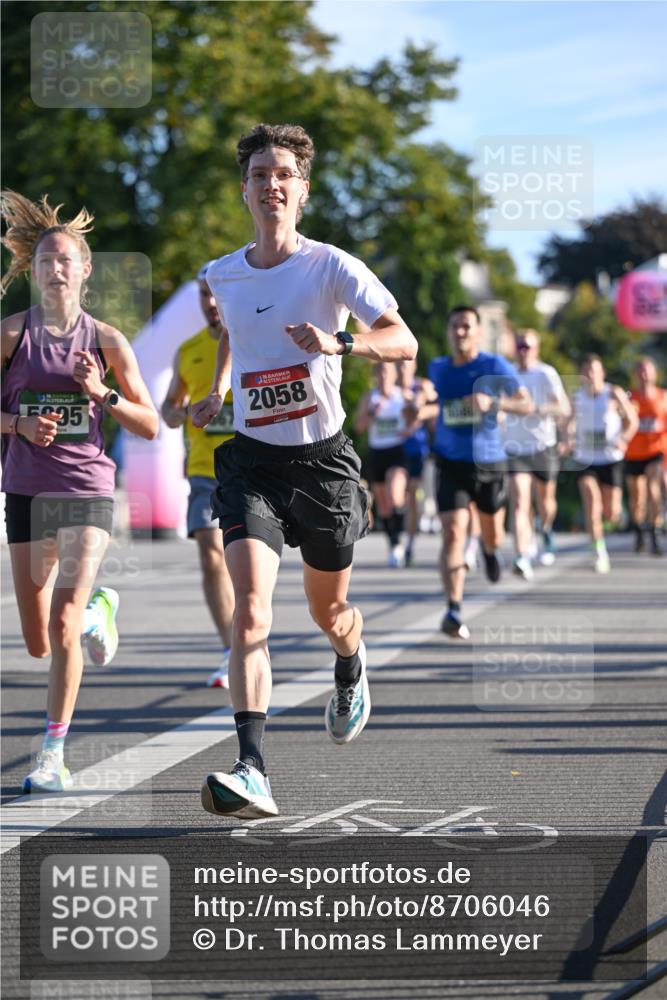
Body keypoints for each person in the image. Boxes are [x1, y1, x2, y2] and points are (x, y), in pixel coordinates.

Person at [190, 124, 417, 820]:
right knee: (251, 609)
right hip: (252, 461)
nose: (271, 185)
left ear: (303, 190)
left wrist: (340, 341)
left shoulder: (331, 267)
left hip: (322, 463)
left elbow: (402, 338)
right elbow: (233, 329)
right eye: (259, 174)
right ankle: (251, 765)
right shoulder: (221, 273)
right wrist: (219, 390)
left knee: (330, 613)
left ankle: (350, 664)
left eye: (283, 174)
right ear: (244, 190)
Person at [0, 191, 158, 793]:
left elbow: (149, 423)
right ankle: (101, 609)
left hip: (86, 488)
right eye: (45, 261)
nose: (55, 269)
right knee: (40, 640)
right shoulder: (12, 336)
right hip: (25, 491)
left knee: (63, 621)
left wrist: (104, 395)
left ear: (86, 269)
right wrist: (17, 424)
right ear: (32, 271)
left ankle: (51, 754)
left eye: (66, 260)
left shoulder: (109, 341)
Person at [417, 305, 533, 640]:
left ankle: (491, 550)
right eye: (455, 326)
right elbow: (435, 405)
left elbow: (525, 403)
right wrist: (422, 403)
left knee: (493, 531)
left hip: (489, 462)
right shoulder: (438, 368)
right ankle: (453, 608)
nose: (461, 332)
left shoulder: (494, 365)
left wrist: (494, 403)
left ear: (479, 332)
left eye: (467, 326)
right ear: (449, 331)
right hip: (450, 461)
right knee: (453, 532)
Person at [161, 264, 236, 686]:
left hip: (253, 468)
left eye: (215, 293)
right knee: (211, 554)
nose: (210, 302)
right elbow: (168, 411)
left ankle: (249, 634)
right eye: (202, 294)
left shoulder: (252, 342)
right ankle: (231, 648)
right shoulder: (187, 350)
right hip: (205, 472)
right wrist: (182, 412)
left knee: (245, 565)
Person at [503, 329, 570, 577]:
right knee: (519, 501)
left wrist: (534, 408)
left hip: (543, 445)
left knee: (545, 503)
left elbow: (562, 406)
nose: (522, 350)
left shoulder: (545, 373)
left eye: (527, 346)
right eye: (519, 345)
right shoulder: (507, 373)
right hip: (515, 448)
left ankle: (546, 527)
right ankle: (522, 556)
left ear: (536, 349)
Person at [567, 354, 638, 573]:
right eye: (586, 371)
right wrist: (567, 439)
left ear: (602, 373)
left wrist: (623, 439)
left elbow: (632, 420)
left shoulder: (613, 393)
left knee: (611, 512)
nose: (590, 375)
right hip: (585, 458)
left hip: (610, 458)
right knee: (592, 504)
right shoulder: (577, 397)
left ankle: (615, 515)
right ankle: (600, 552)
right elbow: (568, 423)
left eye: (594, 371)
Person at [354, 361, 410, 567]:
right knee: (384, 507)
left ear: (395, 374)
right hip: (377, 452)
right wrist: (370, 414)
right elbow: (358, 427)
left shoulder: (402, 396)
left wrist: (410, 428)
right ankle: (394, 544)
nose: (384, 376)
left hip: (397, 451)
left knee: (395, 497)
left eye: (388, 372)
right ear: (376, 374)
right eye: (380, 372)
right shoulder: (369, 398)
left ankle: (399, 542)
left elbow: (417, 416)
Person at [624, 356, 667, 556]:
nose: (644, 374)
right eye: (640, 370)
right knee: (636, 497)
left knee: (653, 490)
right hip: (633, 452)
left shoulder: (663, 396)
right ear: (636, 374)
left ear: (654, 373)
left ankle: (655, 533)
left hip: (656, 451)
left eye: (647, 370)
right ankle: (639, 529)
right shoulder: (629, 398)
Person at [396, 358, 431, 566]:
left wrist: (413, 399)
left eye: (406, 363)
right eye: (399, 364)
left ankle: (408, 542)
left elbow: (416, 411)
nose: (402, 367)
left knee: (412, 497)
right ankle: (399, 536)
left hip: (417, 449)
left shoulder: (420, 386)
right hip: (394, 449)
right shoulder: (388, 389)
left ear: (414, 365)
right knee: (397, 497)